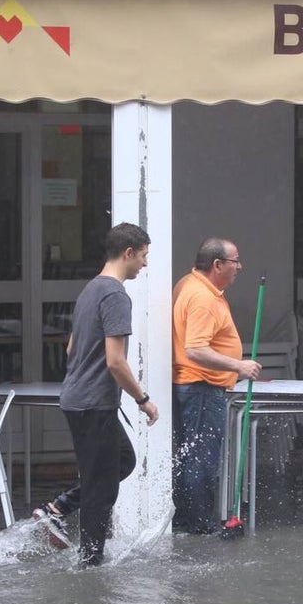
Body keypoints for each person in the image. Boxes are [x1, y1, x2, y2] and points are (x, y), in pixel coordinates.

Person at [33, 222, 159, 567]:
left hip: (80, 399)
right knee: (102, 487)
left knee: (122, 462)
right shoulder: (116, 295)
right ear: (128, 253)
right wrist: (143, 399)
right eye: (144, 257)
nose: (145, 265)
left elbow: (71, 345)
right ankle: (91, 561)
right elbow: (116, 362)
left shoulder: (91, 289)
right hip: (93, 403)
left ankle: (56, 510)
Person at [171, 238, 262, 535]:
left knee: (191, 456)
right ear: (217, 265)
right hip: (202, 388)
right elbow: (196, 348)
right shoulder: (203, 297)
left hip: (198, 388)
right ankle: (197, 526)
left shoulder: (192, 284)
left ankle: (188, 521)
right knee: (201, 459)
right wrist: (239, 366)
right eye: (235, 261)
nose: (240, 266)